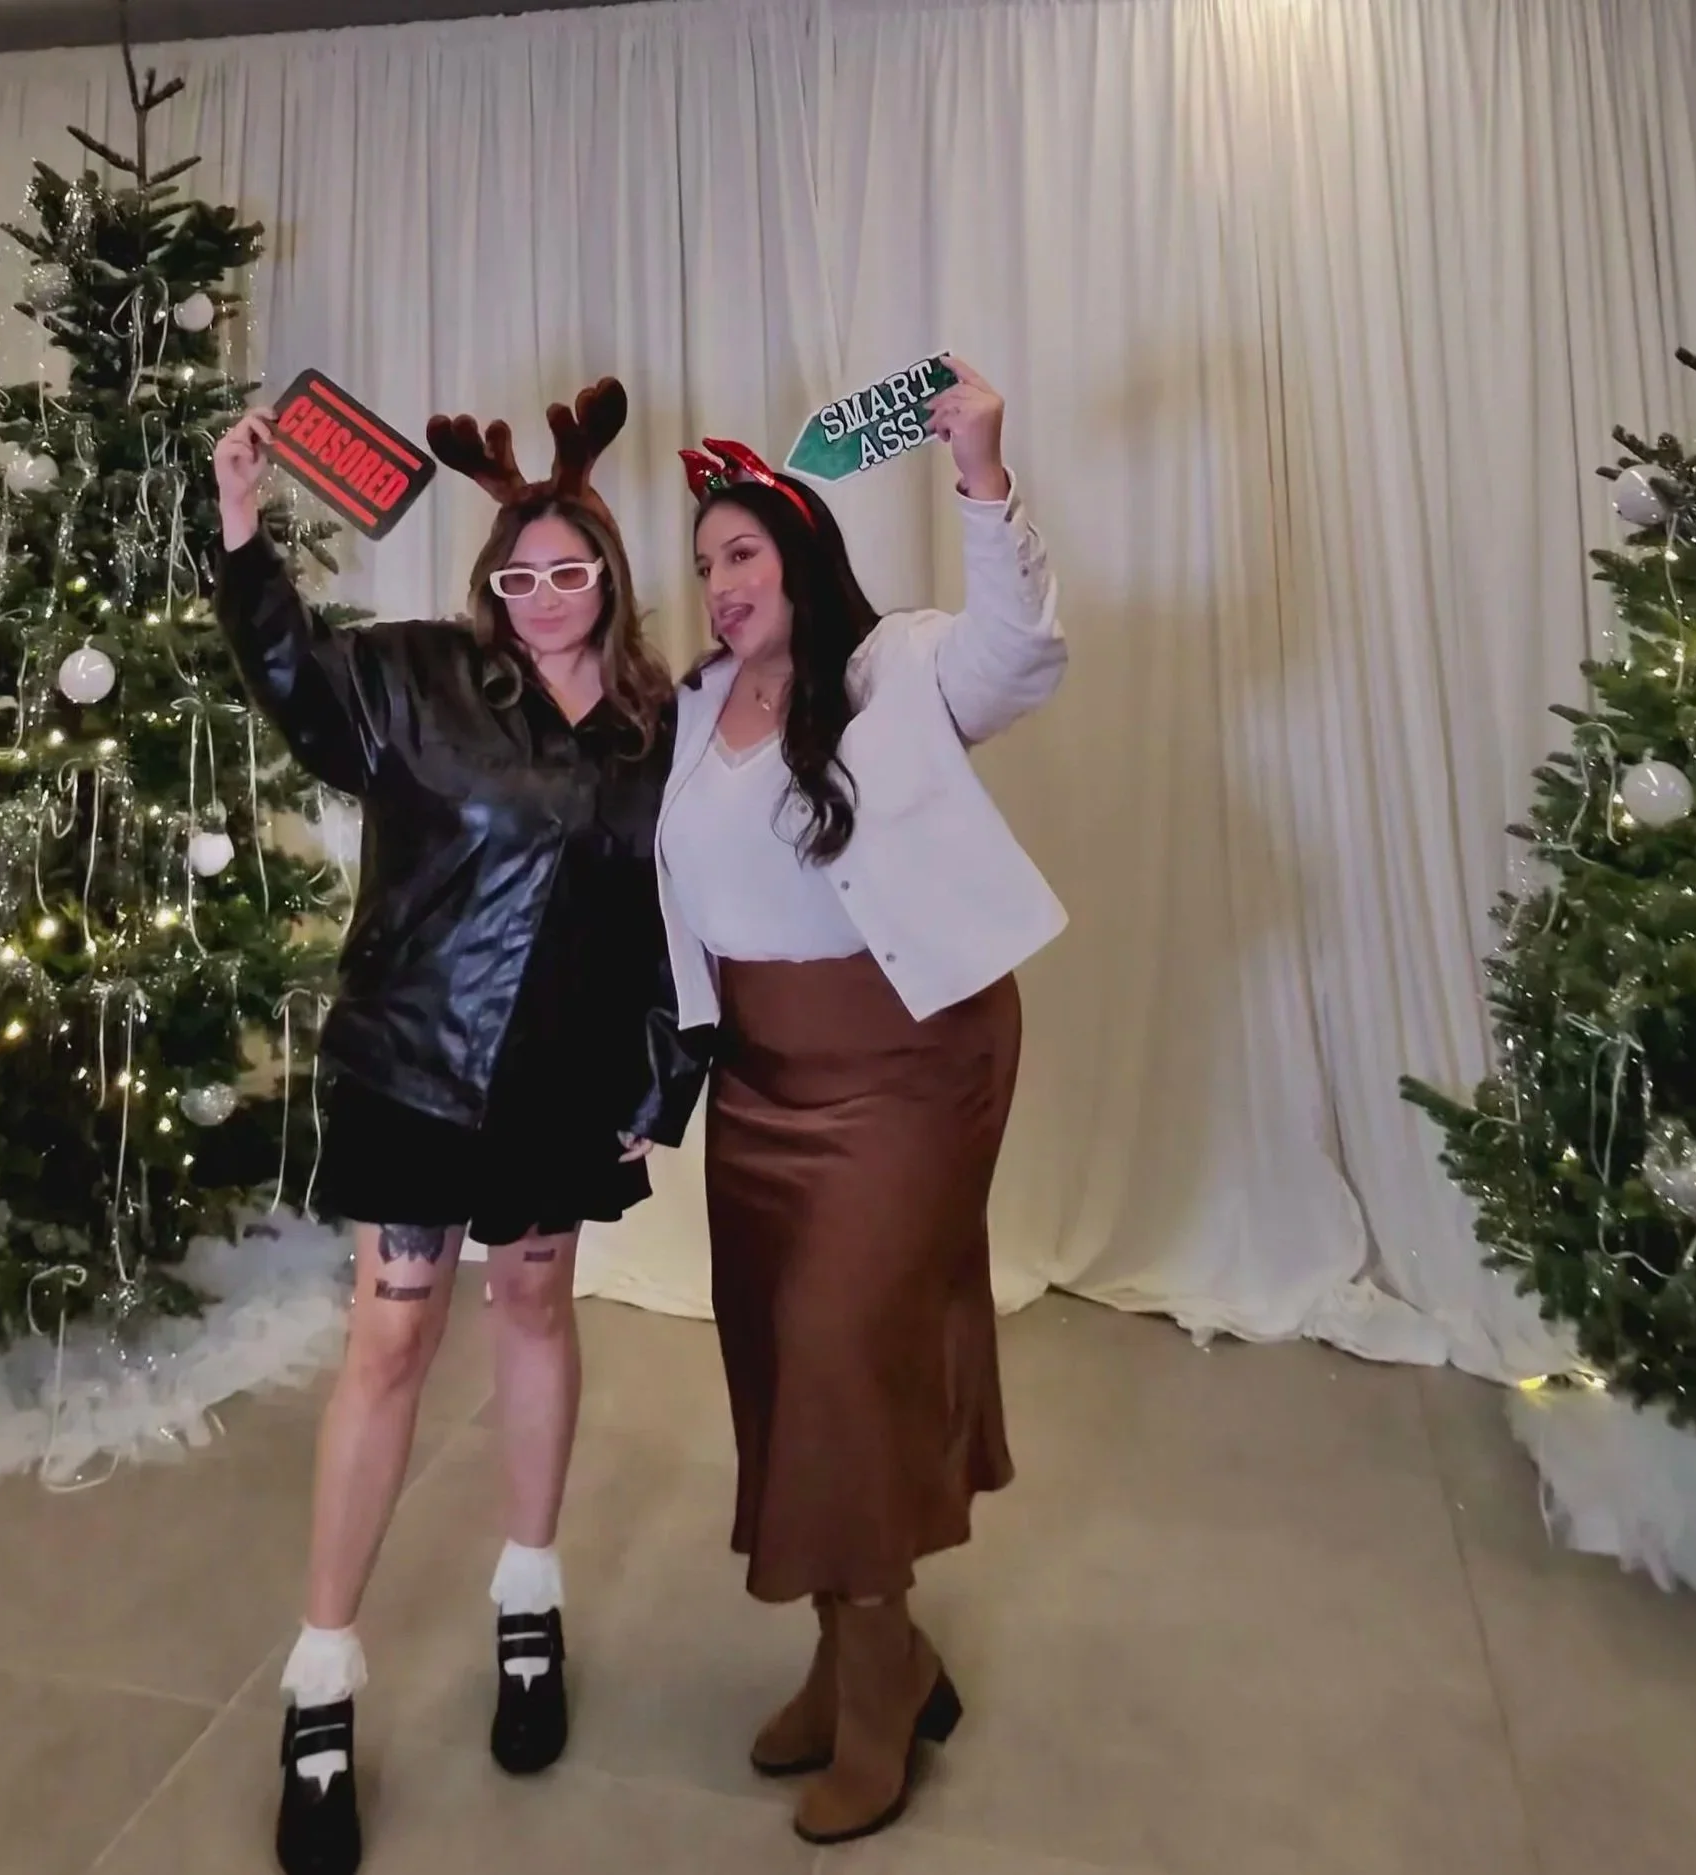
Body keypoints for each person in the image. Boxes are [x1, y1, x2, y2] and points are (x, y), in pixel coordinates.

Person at [211, 379, 704, 1875]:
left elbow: (688, 916)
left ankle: (530, 1596)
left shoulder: (655, 723)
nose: (544, 594)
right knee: (392, 1335)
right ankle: (321, 1671)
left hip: (565, 1088)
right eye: (519, 572)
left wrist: (658, 1084)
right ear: (488, 587)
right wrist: (240, 526)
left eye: (572, 571)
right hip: (419, 1072)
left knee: (541, 1304)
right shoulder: (418, 680)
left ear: (610, 581)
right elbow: (293, 680)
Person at [657, 360, 1065, 1846]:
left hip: (911, 1061)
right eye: (703, 564)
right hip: (761, 1083)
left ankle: (883, 1661)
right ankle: (847, 1644)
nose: (718, 584)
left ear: (803, 554)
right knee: (776, 1357)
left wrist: (980, 470)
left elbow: (1022, 657)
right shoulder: (699, 704)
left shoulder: (896, 667)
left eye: (743, 552)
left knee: (842, 1345)